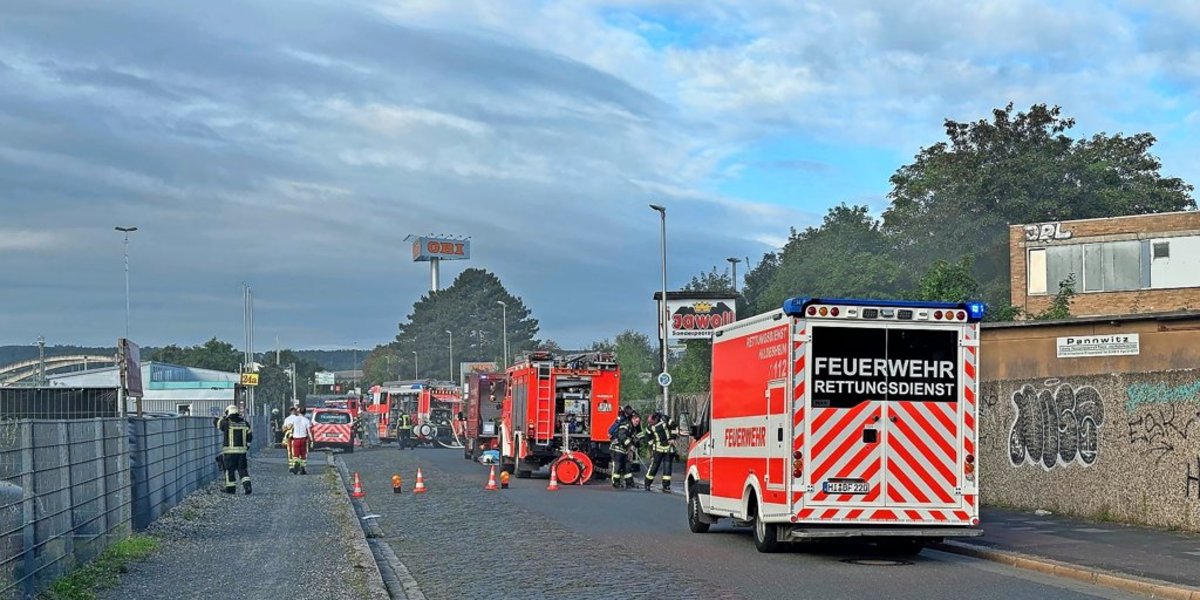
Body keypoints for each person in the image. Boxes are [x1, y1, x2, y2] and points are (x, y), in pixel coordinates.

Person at [218, 404, 253, 495]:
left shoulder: (226, 423)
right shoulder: (245, 423)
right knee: (242, 469)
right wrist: (247, 446)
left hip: (229, 452)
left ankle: (231, 488)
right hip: (242, 452)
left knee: (229, 470)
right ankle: (247, 486)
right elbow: (250, 436)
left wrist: (223, 417)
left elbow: (216, 422)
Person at [642, 412, 677, 493]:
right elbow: (648, 437)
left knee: (667, 467)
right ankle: (647, 483)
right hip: (657, 448)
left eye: (651, 422)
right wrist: (651, 449)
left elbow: (674, 427)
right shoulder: (649, 427)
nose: (650, 424)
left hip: (668, 447)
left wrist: (673, 438)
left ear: (655, 419)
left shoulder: (665, 419)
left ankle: (666, 485)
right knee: (654, 467)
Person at [610, 413, 639, 489]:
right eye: (636, 421)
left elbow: (632, 438)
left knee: (628, 467)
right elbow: (622, 436)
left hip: (625, 450)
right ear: (632, 419)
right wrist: (630, 445)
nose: (637, 423)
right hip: (617, 449)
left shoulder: (632, 428)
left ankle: (629, 483)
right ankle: (616, 482)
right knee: (618, 467)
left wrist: (635, 442)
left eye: (638, 422)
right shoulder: (625, 425)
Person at [286, 407, 312, 474]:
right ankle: (302, 468)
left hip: (296, 439)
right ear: (305, 413)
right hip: (303, 439)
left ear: (298, 412)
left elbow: (289, 427)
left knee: (296, 454)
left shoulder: (294, 419)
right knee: (303, 454)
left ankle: (296, 464)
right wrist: (311, 440)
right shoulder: (307, 420)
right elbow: (309, 431)